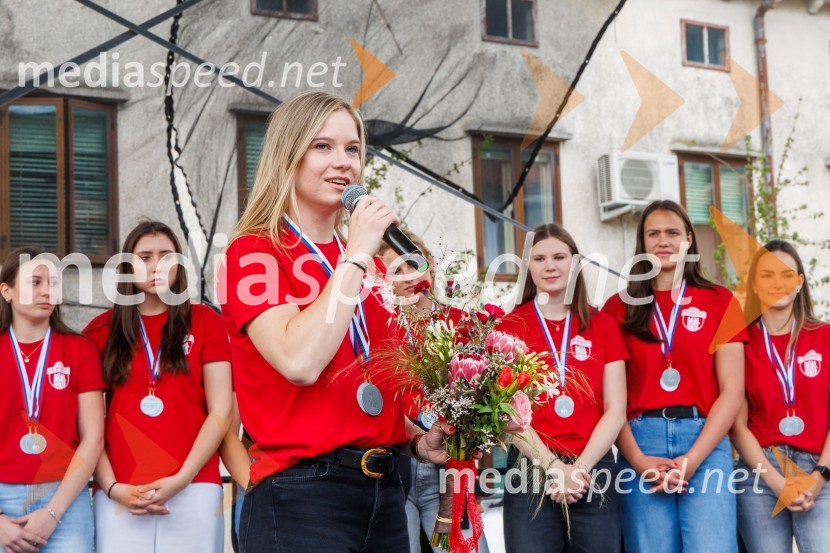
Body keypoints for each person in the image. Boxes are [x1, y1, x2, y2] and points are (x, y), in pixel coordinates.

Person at [220, 91, 459, 552]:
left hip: (385, 491)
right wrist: (356, 255)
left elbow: (369, 389)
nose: (343, 162)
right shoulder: (254, 252)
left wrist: (417, 440)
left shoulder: (369, 268)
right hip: (302, 496)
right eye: (322, 146)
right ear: (288, 155)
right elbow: (299, 361)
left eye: (353, 149)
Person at [601, 200, 746, 553]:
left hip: (705, 440)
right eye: (653, 233)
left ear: (689, 239)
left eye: (672, 232)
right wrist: (638, 461)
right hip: (641, 442)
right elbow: (611, 402)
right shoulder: (617, 309)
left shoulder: (721, 301)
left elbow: (732, 391)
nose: (663, 241)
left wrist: (692, 460)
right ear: (642, 242)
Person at [83, 221, 232, 553]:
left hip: (194, 485)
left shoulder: (206, 321)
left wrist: (183, 478)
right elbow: (89, 425)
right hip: (122, 491)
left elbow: (221, 411)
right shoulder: (99, 331)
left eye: (166, 256)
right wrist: (112, 487)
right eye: (145, 257)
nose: (156, 266)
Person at [498, 224, 627, 553]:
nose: (550, 266)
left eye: (559, 257)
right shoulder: (508, 327)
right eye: (539, 258)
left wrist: (578, 471)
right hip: (530, 469)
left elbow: (616, 410)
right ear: (528, 267)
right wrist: (554, 468)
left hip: (594, 469)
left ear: (576, 262)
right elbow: (504, 411)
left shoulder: (603, 325)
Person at [0, 247, 105, 553]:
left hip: (65, 499)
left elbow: (93, 438)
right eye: (35, 282)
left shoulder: (80, 350)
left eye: (53, 283)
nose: (47, 291)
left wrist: (53, 512)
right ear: (6, 291)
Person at [731, 240, 830, 552]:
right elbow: (737, 425)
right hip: (760, 473)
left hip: (820, 469)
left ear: (799, 282)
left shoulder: (825, 336)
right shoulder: (739, 345)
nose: (778, 283)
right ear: (754, 285)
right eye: (767, 275)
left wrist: (819, 476)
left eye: (787, 274)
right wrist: (777, 482)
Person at [379, 232, 464, 553]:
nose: (408, 277)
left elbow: (482, 407)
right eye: (396, 271)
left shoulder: (463, 324)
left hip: (448, 465)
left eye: (414, 264)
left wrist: (477, 486)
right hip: (398, 463)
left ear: (430, 263)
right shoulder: (380, 330)